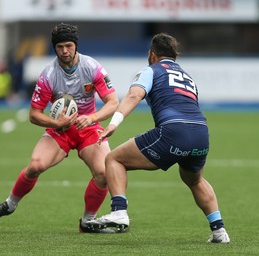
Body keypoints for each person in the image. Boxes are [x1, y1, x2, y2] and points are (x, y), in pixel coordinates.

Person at [87, 33, 230, 243]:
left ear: (152, 54)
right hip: (201, 133)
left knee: (114, 159)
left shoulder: (151, 70)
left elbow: (134, 95)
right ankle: (219, 231)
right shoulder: (188, 77)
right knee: (194, 179)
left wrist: (114, 123)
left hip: (174, 131)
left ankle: (119, 211)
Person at [0, 23, 119, 233]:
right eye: (60, 47)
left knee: (103, 172)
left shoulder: (92, 68)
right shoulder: (48, 75)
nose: (65, 51)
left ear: (75, 46)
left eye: (69, 46)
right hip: (60, 131)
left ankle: (88, 222)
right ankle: (9, 204)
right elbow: (34, 115)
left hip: (88, 129)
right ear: (54, 48)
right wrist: (57, 124)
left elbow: (112, 102)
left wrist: (91, 118)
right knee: (36, 165)